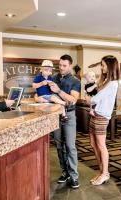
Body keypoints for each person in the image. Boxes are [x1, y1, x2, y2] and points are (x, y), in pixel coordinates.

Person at [85, 55, 120, 186]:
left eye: (103, 65)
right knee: (93, 143)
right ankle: (101, 171)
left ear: (110, 67)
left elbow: (93, 99)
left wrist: (89, 99)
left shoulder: (113, 83)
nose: (101, 67)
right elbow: (92, 94)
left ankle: (105, 173)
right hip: (94, 115)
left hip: (102, 117)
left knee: (101, 145)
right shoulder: (104, 80)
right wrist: (90, 98)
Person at [48, 54, 81, 189]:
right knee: (59, 145)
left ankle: (74, 176)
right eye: (60, 65)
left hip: (69, 115)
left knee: (70, 146)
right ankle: (65, 172)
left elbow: (73, 100)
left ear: (70, 66)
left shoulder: (75, 81)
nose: (61, 68)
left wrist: (58, 91)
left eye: (64, 66)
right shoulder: (53, 77)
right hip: (55, 115)